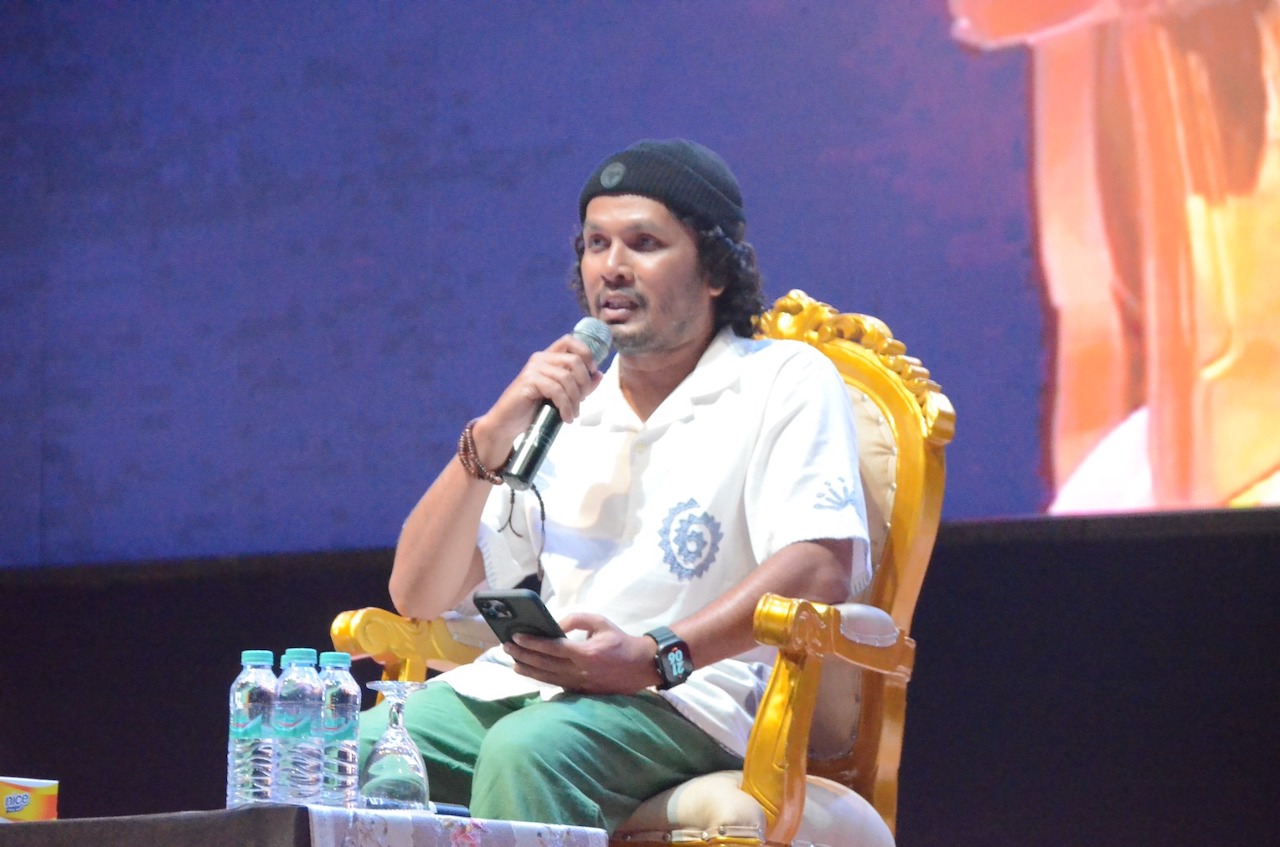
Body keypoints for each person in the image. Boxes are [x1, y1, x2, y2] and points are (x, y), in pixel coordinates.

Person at [359, 139, 874, 834]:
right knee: (355, 750)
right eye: (596, 244)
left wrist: (654, 655)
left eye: (644, 243)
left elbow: (820, 563)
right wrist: (493, 430)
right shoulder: (563, 409)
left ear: (715, 270)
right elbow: (417, 594)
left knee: (528, 752)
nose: (612, 267)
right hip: (532, 687)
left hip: (690, 697)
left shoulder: (781, 379)